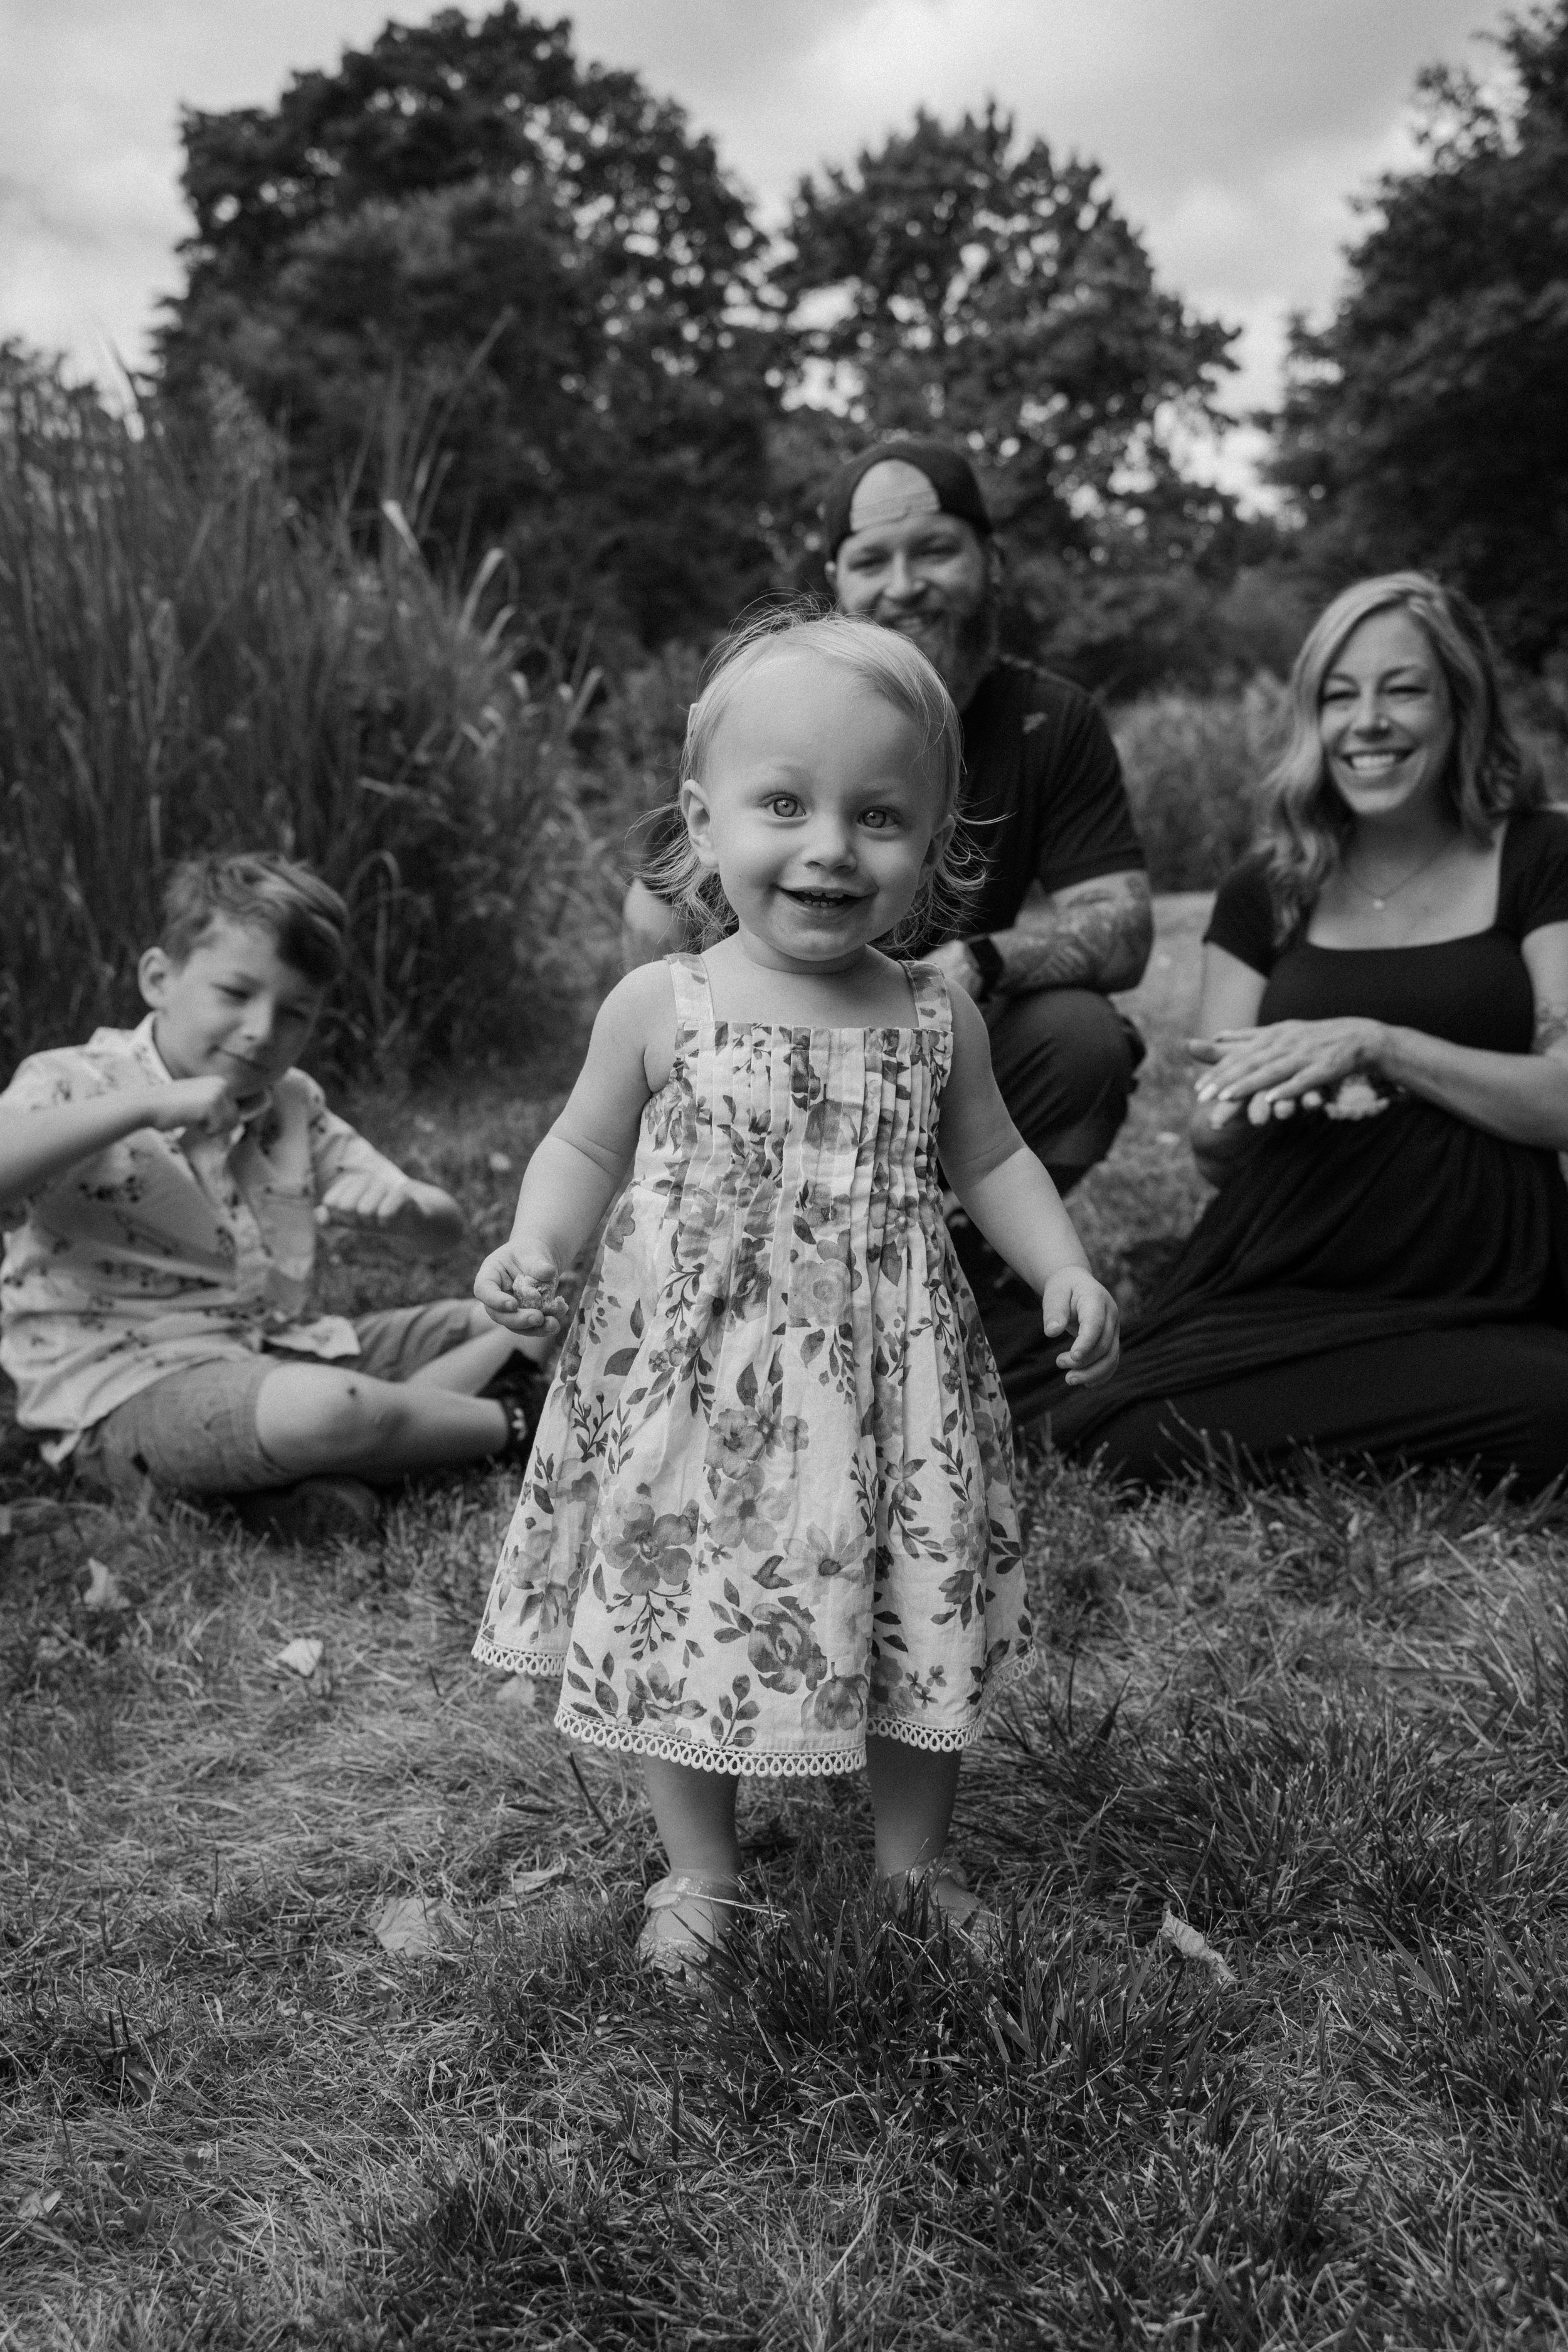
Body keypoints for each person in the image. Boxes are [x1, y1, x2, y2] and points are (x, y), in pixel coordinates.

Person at [472, 612, 1119, 1973]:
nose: (828, 845)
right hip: (696, 1389)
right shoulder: (661, 1002)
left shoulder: (930, 1016)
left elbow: (991, 1158)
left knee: (908, 1598)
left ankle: (910, 1864)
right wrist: (537, 1250)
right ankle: (699, 1871)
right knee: (683, 1605)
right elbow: (581, 1144)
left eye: (876, 815)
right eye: (784, 803)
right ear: (702, 825)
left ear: (934, 846)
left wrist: (1058, 1264)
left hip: (891, 1387)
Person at [620, 438, 1152, 1396]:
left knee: (1083, 1039)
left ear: (992, 559)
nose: (903, 584)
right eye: (872, 558)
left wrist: (977, 963)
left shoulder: (1050, 720)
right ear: (835, 580)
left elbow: (1122, 925)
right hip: (750, 1090)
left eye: (934, 549)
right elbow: (651, 910)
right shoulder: (778, 707)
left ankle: (970, 1271)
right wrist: (695, 1024)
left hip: (935, 1041)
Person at [1041, 572, 1568, 1492]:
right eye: (1339, 694)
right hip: (1294, 1257)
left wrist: (1377, 1042)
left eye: (1403, 688)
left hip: (1491, 1271)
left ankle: (1352, 1407)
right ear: (1313, 719)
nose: (1368, 721)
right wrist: (1246, 1106)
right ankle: (1402, 1408)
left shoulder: (1540, 857)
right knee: (1117, 1436)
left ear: (1461, 703)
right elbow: (1214, 1147)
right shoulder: (1266, 889)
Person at [0, 853, 543, 1542]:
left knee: (529, 1316)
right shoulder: (74, 1082)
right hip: (123, 1396)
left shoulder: (290, 1101)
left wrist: (406, 1209)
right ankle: (518, 1422)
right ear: (158, 979)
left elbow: (445, 1231)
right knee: (328, 1410)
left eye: (294, 1013)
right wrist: (144, 1106)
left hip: (275, 1351)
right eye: (234, 994)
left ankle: (345, 1460)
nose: (261, 1030)